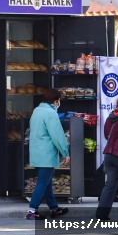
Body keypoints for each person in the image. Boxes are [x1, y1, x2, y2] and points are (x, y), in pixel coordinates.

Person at [26, 88, 70, 220]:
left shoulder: (37, 111)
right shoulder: (51, 113)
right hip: (47, 153)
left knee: (47, 182)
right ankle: (32, 210)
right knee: (43, 182)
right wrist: (65, 152)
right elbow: (57, 135)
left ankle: (54, 208)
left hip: (36, 151)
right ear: (56, 101)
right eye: (59, 100)